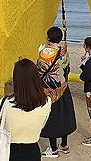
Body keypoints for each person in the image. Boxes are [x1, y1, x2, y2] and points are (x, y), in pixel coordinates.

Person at [0, 59, 51, 161]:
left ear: (16, 80)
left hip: (8, 150)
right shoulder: (47, 102)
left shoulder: (6, 102)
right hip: (33, 150)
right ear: (36, 78)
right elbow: (43, 124)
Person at [38, 26, 77, 158]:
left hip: (50, 90)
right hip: (63, 88)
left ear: (48, 37)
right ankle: (64, 145)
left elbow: (40, 71)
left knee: (52, 118)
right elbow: (67, 69)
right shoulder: (64, 51)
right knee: (64, 115)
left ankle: (54, 149)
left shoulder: (44, 52)